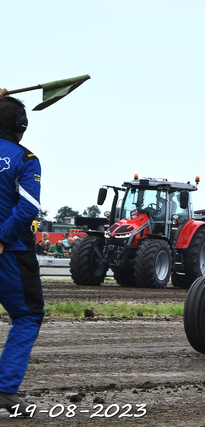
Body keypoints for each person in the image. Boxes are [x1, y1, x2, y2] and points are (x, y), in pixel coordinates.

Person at [0, 89, 44, 414]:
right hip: (11, 254)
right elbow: (27, 208)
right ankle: (4, 390)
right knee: (27, 316)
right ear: (22, 124)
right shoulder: (25, 159)